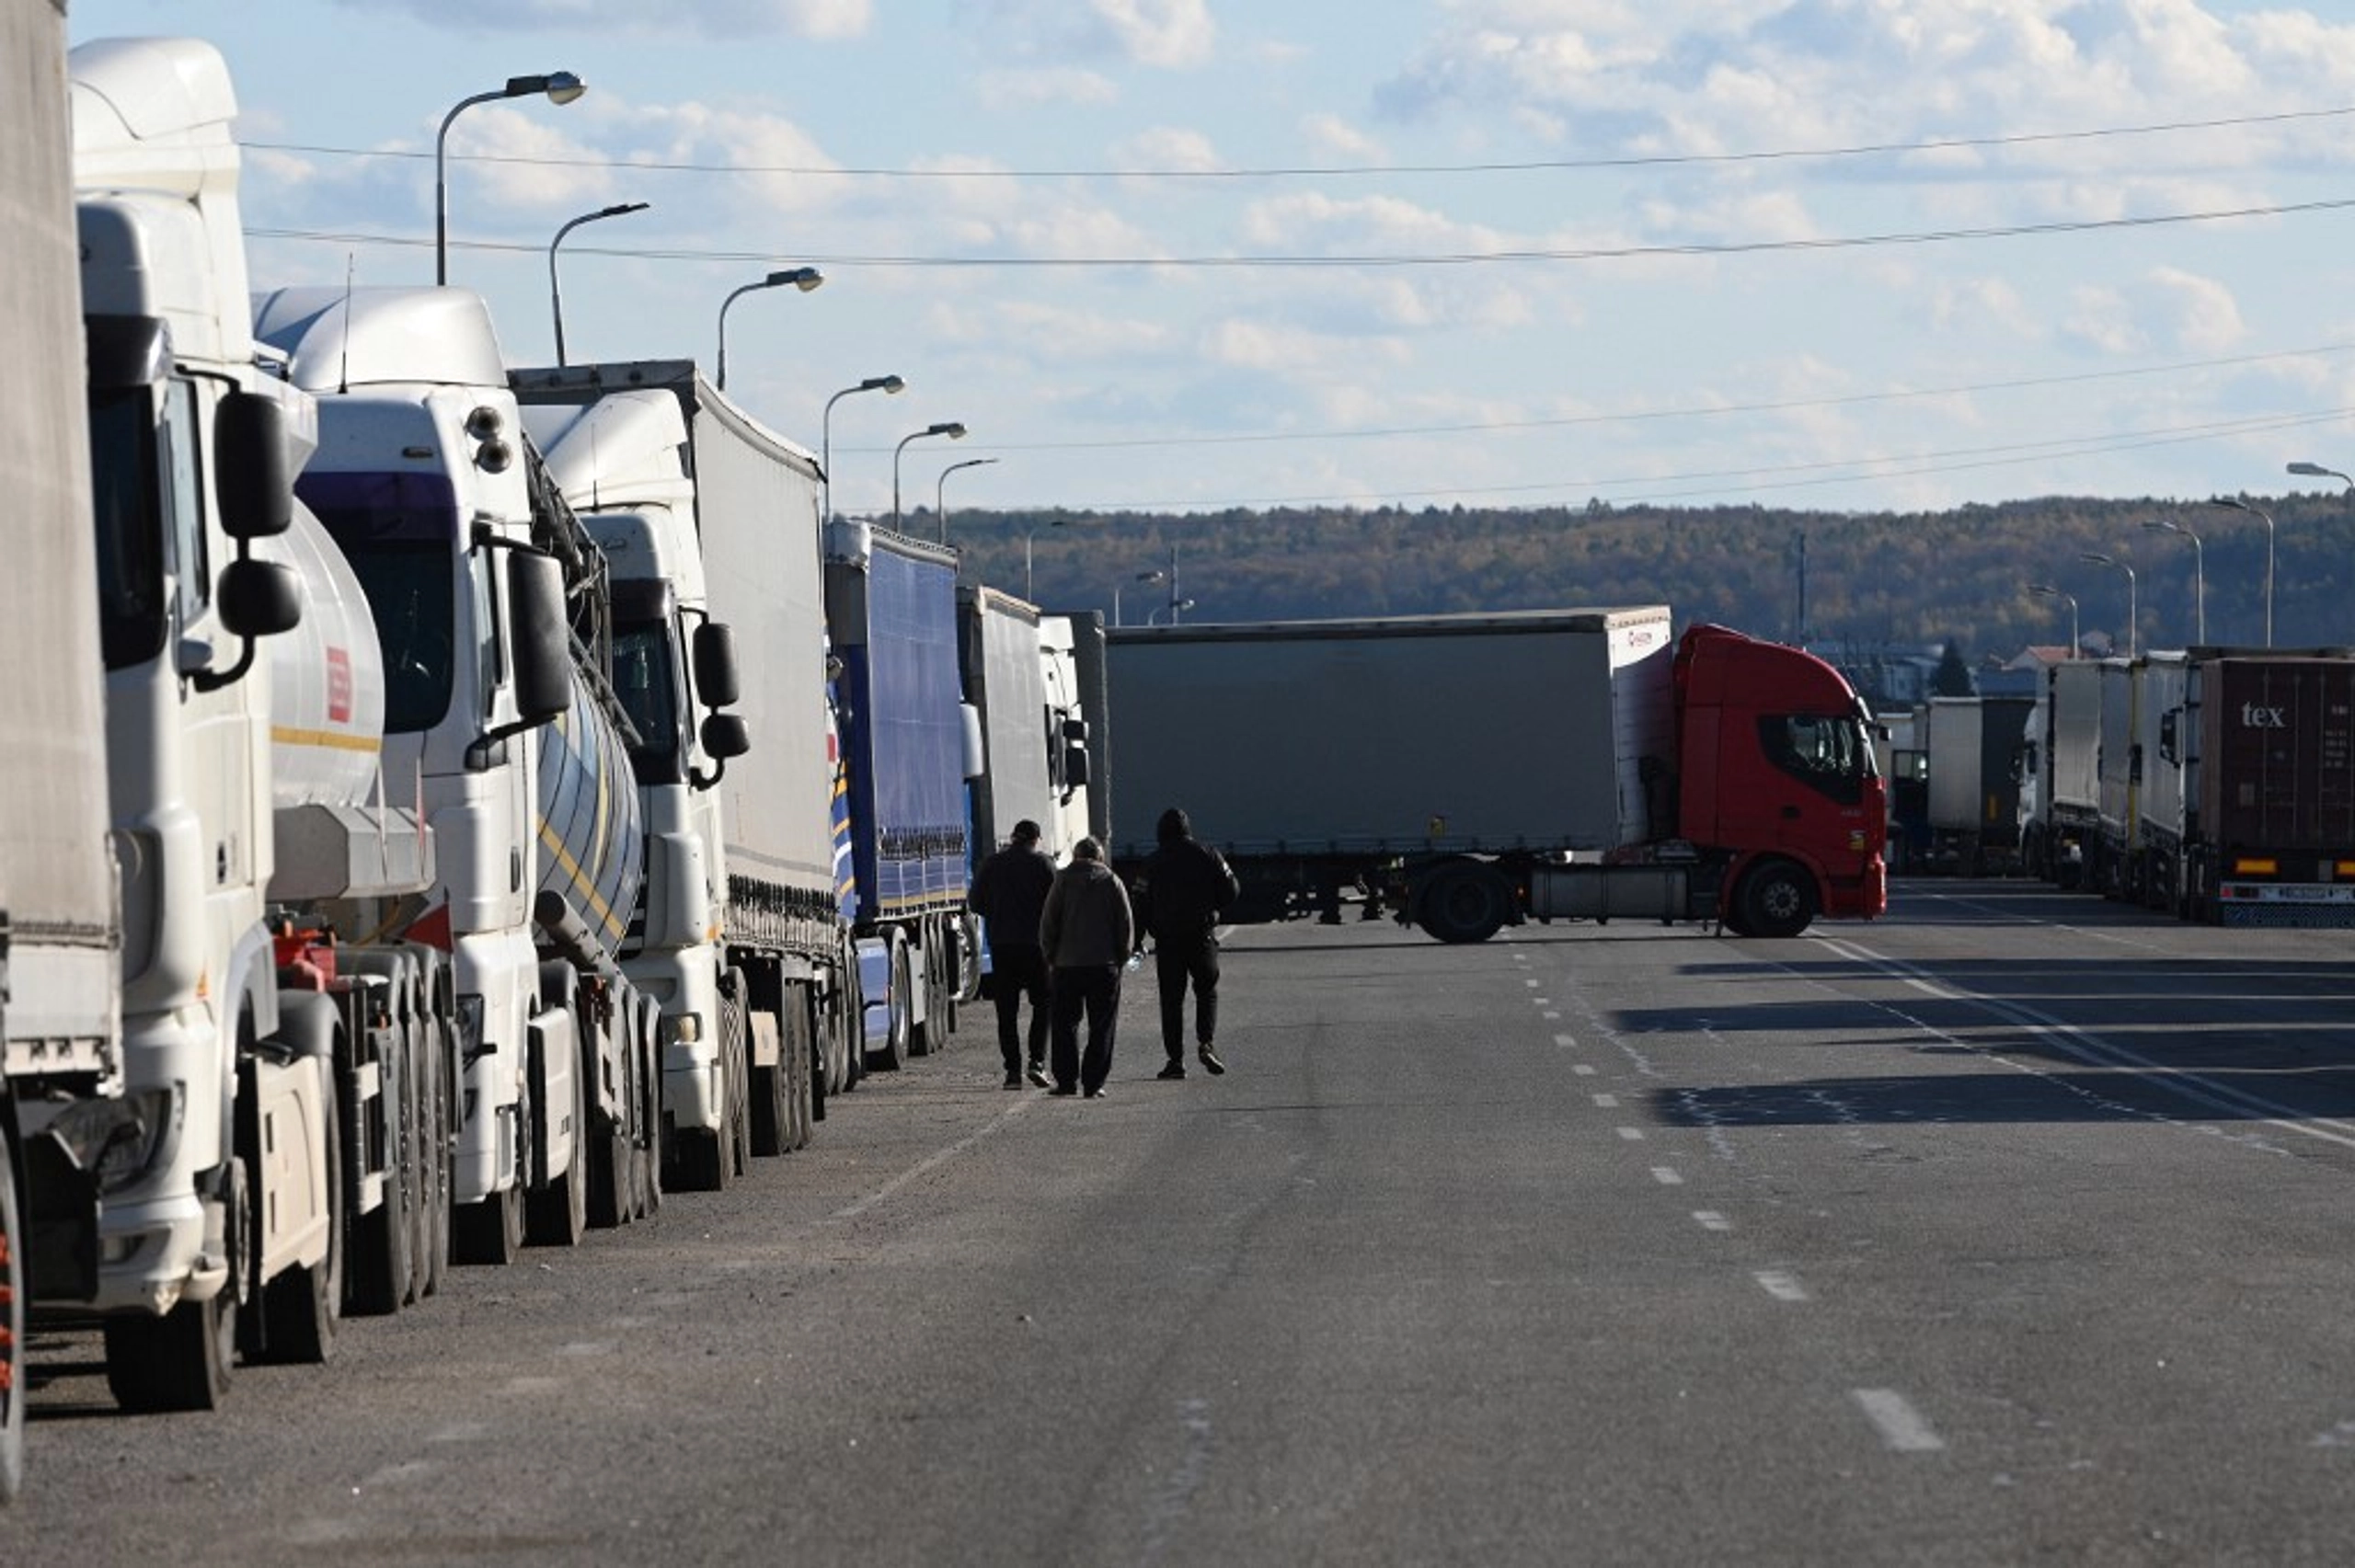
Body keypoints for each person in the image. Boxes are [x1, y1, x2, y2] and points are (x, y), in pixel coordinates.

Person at [1132, 807, 1240, 1080]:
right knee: (1206, 990)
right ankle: (1206, 1042)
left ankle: (1175, 1061)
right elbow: (1232, 890)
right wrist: (1214, 909)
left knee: (1172, 1001)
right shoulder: (1208, 854)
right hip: (1201, 936)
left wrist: (1136, 941)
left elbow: (1140, 904)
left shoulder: (1152, 862)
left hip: (1168, 941)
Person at [1038, 836, 1133, 1099]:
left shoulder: (1063, 880)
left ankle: (1067, 1082)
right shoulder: (1112, 881)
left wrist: (1050, 955)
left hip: (1067, 965)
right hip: (1104, 965)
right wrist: (1122, 957)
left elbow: (1049, 921)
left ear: (1076, 856)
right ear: (1100, 857)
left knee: (1065, 1024)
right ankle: (1094, 1083)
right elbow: (1124, 924)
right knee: (1102, 1025)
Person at [970, 818, 1056, 1089]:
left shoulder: (992, 864)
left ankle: (1012, 1072)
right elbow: (1056, 902)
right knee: (1042, 1005)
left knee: (1006, 1012)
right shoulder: (1043, 864)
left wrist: (996, 917)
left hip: (1002, 945)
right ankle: (1037, 1061)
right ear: (1035, 839)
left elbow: (975, 902)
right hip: (1035, 946)